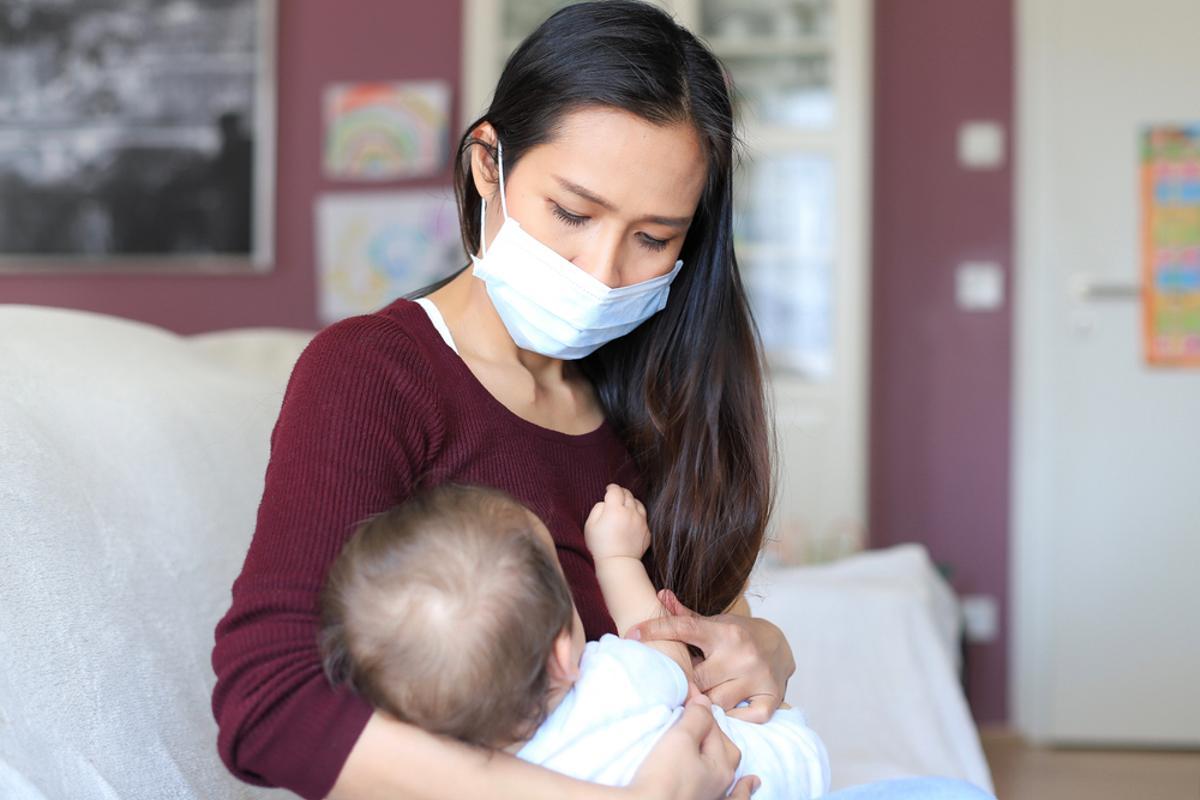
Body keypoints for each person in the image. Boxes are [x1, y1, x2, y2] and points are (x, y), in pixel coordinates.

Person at [212, 3, 996, 799]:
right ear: (490, 163)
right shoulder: (374, 373)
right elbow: (268, 705)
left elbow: (696, 651)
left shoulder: (651, 398)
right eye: (573, 213)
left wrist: (762, 646)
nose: (601, 270)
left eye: (652, 238)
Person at [318, 483, 831, 799]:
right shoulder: (611, 681)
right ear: (565, 655)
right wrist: (617, 558)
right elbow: (662, 642)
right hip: (782, 771)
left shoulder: (463, 772)